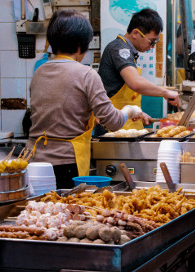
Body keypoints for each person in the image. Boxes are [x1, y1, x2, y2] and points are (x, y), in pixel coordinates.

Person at [26, 9, 145, 189]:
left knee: (42, 213)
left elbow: (60, 111)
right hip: (66, 164)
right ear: (82, 45)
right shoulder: (86, 74)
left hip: (34, 163)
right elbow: (113, 122)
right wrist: (131, 110)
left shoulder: (39, 72)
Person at [98, 8, 179, 130]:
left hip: (126, 122)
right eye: (151, 42)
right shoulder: (119, 49)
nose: (152, 47)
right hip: (114, 126)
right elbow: (135, 83)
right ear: (135, 33)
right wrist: (165, 92)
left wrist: (138, 113)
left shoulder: (128, 51)